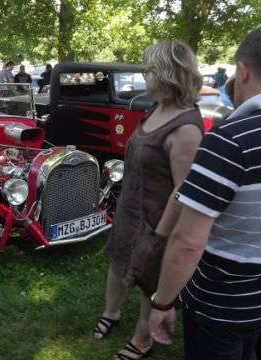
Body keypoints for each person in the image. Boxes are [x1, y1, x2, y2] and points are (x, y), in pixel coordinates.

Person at [148, 27, 261, 360]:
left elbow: (187, 242)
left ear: (242, 70)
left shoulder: (231, 140)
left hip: (222, 306)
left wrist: (163, 302)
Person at [93, 40, 204, 360]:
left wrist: (159, 236)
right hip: (130, 209)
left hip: (158, 221)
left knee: (147, 283)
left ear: (168, 74)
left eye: (151, 69)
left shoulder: (186, 129)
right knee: (117, 263)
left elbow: (183, 190)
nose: (145, 75)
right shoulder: (158, 107)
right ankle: (111, 313)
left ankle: (142, 341)